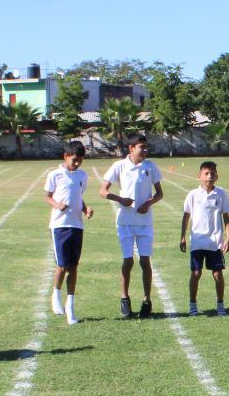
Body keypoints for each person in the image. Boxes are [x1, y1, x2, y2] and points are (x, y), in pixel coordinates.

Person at [100, 134, 163, 319]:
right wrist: (121, 200)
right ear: (131, 148)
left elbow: (159, 193)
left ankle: (146, 301)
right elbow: (102, 191)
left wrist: (148, 204)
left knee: (145, 262)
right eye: (141, 147)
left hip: (145, 223)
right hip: (125, 222)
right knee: (128, 261)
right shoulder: (119, 166)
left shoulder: (150, 166)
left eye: (146, 147)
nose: (145, 150)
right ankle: (124, 298)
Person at [44, 141, 93, 325]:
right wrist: (58, 205)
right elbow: (48, 197)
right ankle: (55, 296)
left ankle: (70, 307)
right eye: (74, 160)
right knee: (62, 266)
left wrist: (86, 209)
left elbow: (79, 197)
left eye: (80, 161)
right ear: (65, 157)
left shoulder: (82, 175)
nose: (77, 164)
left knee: (74, 266)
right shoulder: (55, 175)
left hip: (77, 226)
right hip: (60, 225)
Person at [181, 161, 229, 317]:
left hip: (215, 242)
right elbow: (186, 216)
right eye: (206, 173)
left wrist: (228, 237)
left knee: (217, 274)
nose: (209, 176)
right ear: (199, 176)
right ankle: (192, 304)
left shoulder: (221, 194)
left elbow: (226, 217)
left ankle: (220, 304)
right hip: (197, 241)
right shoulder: (193, 195)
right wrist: (182, 237)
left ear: (216, 176)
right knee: (196, 273)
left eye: (212, 173)